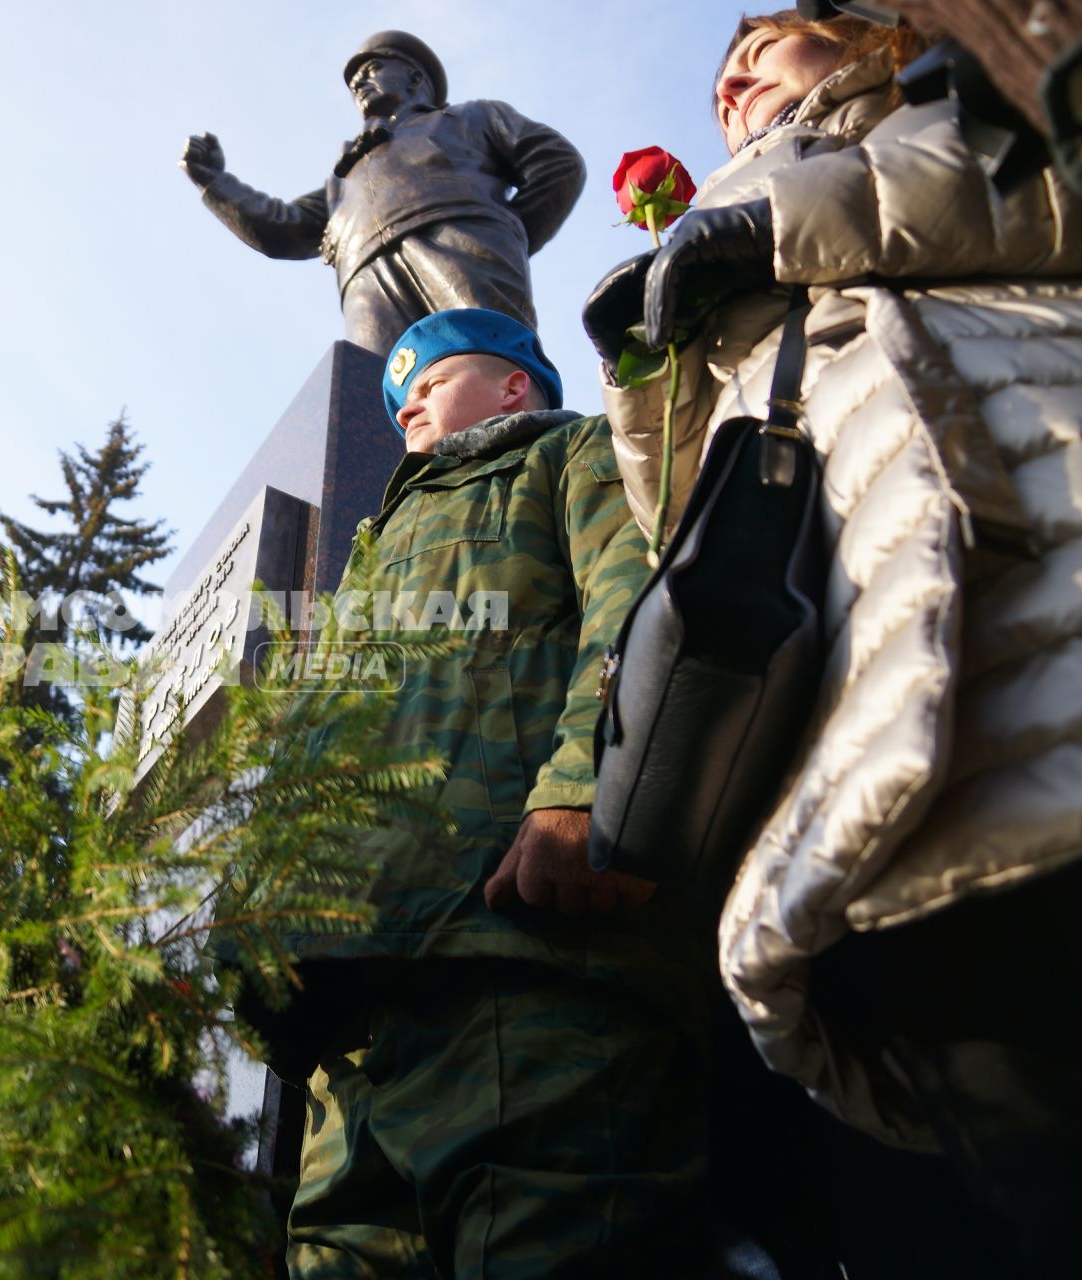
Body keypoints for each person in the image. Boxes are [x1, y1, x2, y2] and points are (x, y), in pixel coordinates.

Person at [582, 10, 1082, 1273]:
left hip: (1040, 503)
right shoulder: (718, 240)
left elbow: (1047, 194)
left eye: (764, 45)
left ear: (856, 38)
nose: (731, 81)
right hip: (861, 718)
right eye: (714, 79)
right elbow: (681, 520)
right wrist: (643, 372)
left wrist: (777, 223)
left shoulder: (935, 97)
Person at [271, 309, 712, 1277]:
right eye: (395, 397)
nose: (406, 401)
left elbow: (634, 600)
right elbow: (315, 745)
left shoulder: (573, 454)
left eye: (431, 378)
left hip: (529, 963)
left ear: (516, 385)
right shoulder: (374, 548)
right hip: (361, 1021)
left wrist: (586, 792)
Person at [180, 30, 584, 349]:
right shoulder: (344, 174)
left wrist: (506, 231)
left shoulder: (471, 117)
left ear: (413, 76)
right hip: (366, 278)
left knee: (488, 365)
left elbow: (557, 164)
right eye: (354, 81)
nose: (359, 83)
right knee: (382, 406)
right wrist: (214, 181)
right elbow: (283, 228)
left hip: (459, 245)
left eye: (371, 69)